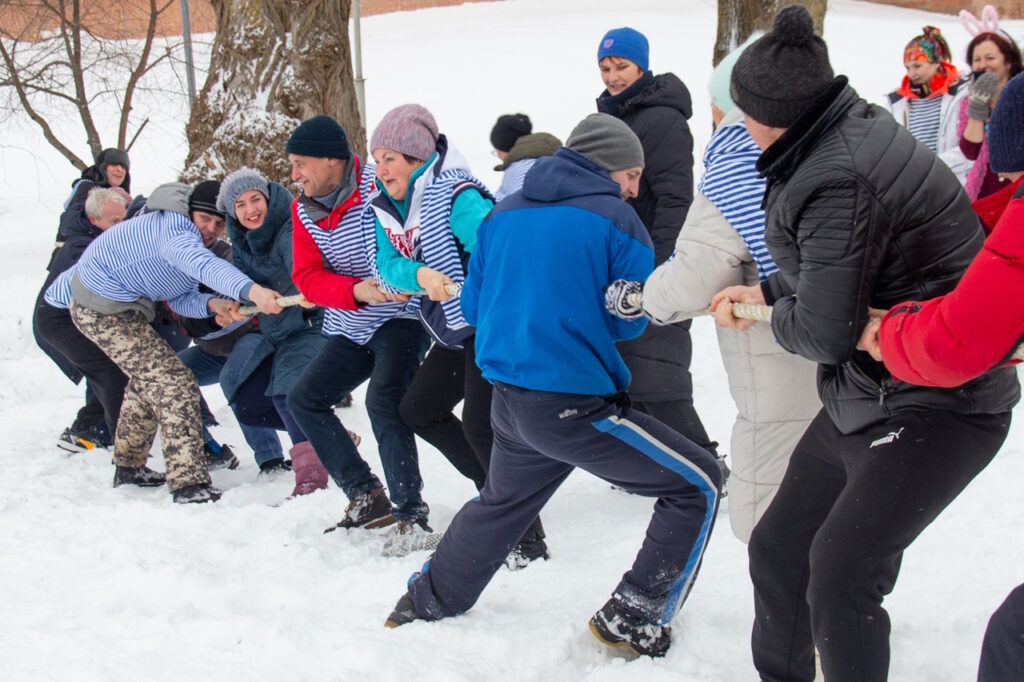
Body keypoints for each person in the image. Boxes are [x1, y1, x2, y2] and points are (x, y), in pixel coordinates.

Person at [708, 6, 1019, 681]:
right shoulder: (831, 133)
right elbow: (832, 273)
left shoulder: (837, 172)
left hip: (943, 401)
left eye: (742, 111)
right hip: (871, 388)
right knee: (779, 548)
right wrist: (768, 294)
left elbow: (824, 330)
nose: (737, 124)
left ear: (773, 114)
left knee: (841, 573)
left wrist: (768, 316)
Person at [384, 113, 722, 661]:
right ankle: (635, 616)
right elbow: (628, 320)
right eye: (632, 174)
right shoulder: (617, 220)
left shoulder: (501, 216)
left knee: (501, 502)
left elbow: (470, 307)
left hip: (507, 402)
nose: (635, 188)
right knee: (698, 483)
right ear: (610, 166)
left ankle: (426, 601)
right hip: (572, 405)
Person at [856, 71, 1024, 682]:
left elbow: (959, 341)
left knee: (1015, 639)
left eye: (1010, 171)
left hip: (950, 394)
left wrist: (887, 332)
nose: (1003, 180)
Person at [638, 41, 820, 543]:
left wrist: (646, 299)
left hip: (778, 352)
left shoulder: (740, 155)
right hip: (840, 341)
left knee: (770, 511)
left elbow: (703, 270)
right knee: (835, 491)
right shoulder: (819, 142)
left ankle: (794, 616)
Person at [365, 103, 547, 562]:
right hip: (454, 324)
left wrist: (472, 287)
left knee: (482, 427)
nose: (381, 168)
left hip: (492, 320)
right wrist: (421, 276)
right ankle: (495, 496)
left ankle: (526, 536)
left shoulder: (454, 196)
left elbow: (500, 248)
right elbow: (386, 265)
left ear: (416, 157)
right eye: (377, 157)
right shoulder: (386, 207)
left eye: (390, 157)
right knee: (418, 410)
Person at [44, 180, 283, 503]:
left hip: (123, 309)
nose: (210, 229)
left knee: (148, 381)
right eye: (205, 220)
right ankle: (188, 483)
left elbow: (181, 297)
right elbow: (201, 264)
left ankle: (129, 466)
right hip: (98, 306)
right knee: (175, 382)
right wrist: (253, 292)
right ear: (190, 213)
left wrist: (214, 306)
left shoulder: (192, 243)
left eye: (218, 223)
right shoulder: (174, 227)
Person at [283, 115, 431, 536]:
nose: (295, 175)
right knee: (305, 399)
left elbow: (412, 238)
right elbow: (306, 277)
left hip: (401, 316)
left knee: (383, 402)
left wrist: (400, 281)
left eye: (300, 163)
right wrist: (354, 292)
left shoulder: (379, 187)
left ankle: (410, 511)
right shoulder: (302, 210)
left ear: (333, 160)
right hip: (352, 319)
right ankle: (366, 494)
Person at [595, 26, 721, 468]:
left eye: (621, 67)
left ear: (641, 66)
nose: (612, 76)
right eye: (606, 68)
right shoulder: (617, 118)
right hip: (623, 259)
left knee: (657, 371)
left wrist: (660, 267)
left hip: (652, 261)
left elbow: (674, 200)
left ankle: (704, 461)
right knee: (633, 370)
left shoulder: (662, 119)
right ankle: (663, 460)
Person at [215, 167, 330, 496]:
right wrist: (237, 301)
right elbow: (241, 282)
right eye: (240, 205)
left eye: (255, 199)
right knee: (250, 403)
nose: (251, 209)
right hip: (277, 332)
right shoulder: (241, 242)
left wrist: (298, 292)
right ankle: (328, 434)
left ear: (267, 198)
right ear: (233, 213)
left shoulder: (288, 228)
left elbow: (301, 271)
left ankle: (311, 481)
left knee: (285, 394)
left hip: (311, 323)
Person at [34, 187, 130, 452]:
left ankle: (90, 429)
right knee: (110, 371)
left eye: (123, 220)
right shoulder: (82, 246)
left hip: (76, 316)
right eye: (114, 222)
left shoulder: (99, 238)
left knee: (111, 368)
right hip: (58, 320)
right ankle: (115, 441)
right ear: (93, 220)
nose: (119, 227)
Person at [883, 25, 970, 182]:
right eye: (907, 67)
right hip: (914, 186)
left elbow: (970, 148)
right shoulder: (896, 102)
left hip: (953, 183)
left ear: (937, 62)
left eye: (918, 66)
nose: (911, 74)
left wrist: (932, 166)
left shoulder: (962, 94)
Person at [957, 7, 1023, 202]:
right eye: (977, 59)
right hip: (985, 193)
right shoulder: (968, 101)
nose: (982, 64)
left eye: (990, 58)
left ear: (1008, 62)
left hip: (1017, 190)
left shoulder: (1020, 96)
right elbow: (970, 151)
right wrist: (978, 107)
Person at [489, 113, 560, 201]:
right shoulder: (553, 159)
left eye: (496, 151)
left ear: (504, 149)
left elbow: (522, 205)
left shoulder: (519, 170)